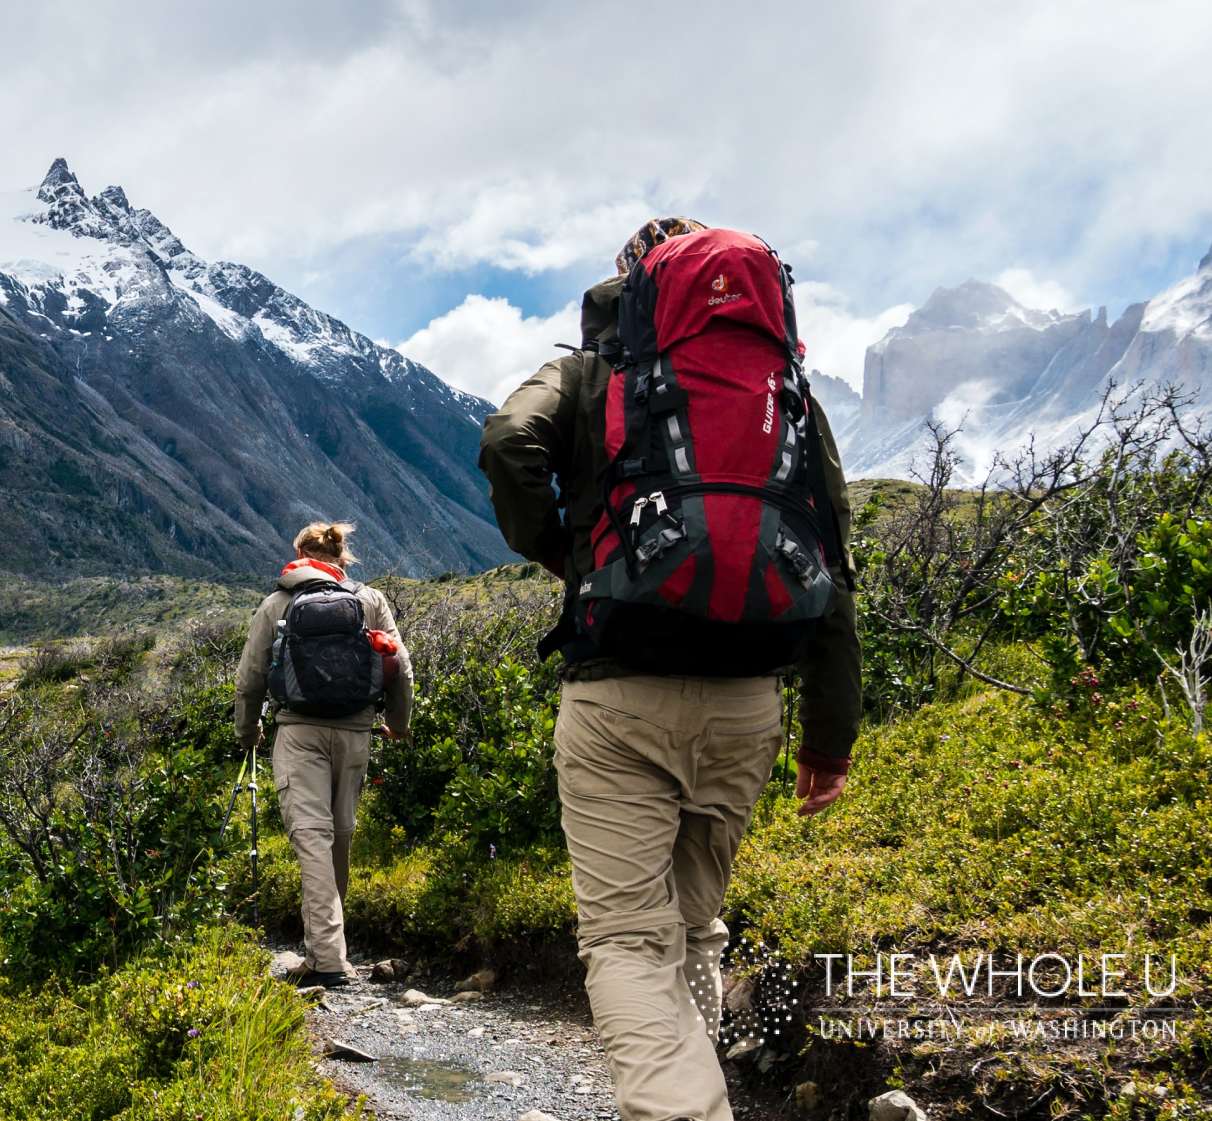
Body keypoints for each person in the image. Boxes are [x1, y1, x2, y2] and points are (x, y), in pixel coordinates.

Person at [477, 218, 862, 1121]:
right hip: (749, 704)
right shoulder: (789, 394)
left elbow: (506, 443)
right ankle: (688, 1089)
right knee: (694, 922)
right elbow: (831, 557)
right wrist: (831, 735)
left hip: (620, 694)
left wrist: (565, 556)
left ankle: (683, 1109)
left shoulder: (590, 372)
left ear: (634, 285)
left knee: (623, 940)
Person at [234, 521, 413, 989]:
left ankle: (327, 960)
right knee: (340, 837)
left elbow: (250, 678)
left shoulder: (277, 603)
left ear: (299, 554)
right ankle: (329, 948)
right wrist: (397, 723)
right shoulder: (369, 600)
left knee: (311, 837)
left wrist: (249, 731)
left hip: (299, 734)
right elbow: (402, 667)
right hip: (356, 733)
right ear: (341, 557)